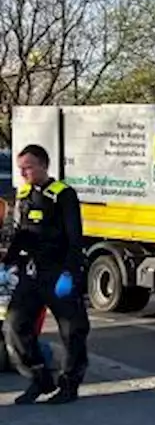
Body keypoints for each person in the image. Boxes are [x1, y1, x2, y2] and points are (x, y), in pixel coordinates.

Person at [2, 144, 91, 405]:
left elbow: (75, 237)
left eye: (27, 167)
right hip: (32, 271)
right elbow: (21, 234)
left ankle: (69, 385)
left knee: (72, 331)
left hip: (59, 271)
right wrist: (8, 263)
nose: (23, 172)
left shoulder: (62, 195)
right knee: (14, 326)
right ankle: (40, 379)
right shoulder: (25, 194)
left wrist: (71, 272)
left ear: (43, 165)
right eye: (20, 168)